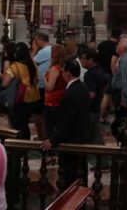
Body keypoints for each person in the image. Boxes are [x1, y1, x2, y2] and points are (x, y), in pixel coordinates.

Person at [41, 59, 91, 188]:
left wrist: (53, 139)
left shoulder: (70, 93)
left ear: (67, 73)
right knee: (81, 171)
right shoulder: (83, 87)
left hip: (72, 140)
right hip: (83, 137)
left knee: (70, 174)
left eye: (63, 71)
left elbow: (67, 122)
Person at [1, 42, 40, 139]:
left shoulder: (15, 66)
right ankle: (26, 145)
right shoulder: (32, 63)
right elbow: (37, 79)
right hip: (33, 97)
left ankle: (19, 147)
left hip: (21, 97)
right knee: (25, 123)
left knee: (18, 124)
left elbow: (5, 83)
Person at [80, 49, 107, 146]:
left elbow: (91, 94)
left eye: (83, 58)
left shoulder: (89, 74)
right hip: (97, 107)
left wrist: (84, 108)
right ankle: (103, 158)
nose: (81, 61)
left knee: (86, 136)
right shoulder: (100, 71)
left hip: (90, 110)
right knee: (97, 137)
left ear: (90, 60)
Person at [97, 28, 121, 123]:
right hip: (108, 72)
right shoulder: (116, 47)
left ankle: (110, 108)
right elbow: (113, 63)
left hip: (99, 71)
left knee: (103, 93)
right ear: (119, 37)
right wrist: (115, 76)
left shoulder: (102, 44)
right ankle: (101, 117)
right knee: (106, 95)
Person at [44, 44, 66, 139]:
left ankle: (51, 148)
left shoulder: (54, 69)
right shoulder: (62, 67)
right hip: (60, 99)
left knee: (50, 127)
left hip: (52, 102)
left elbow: (50, 87)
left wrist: (44, 78)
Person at [32, 32, 52, 140]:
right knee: (44, 113)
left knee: (38, 113)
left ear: (40, 40)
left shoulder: (44, 51)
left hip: (41, 86)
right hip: (46, 85)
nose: (35, 43)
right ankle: (44, 135)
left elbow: (30, 64)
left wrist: (34, 50)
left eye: (36, 41)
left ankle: (41, 136)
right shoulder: (51, 49)